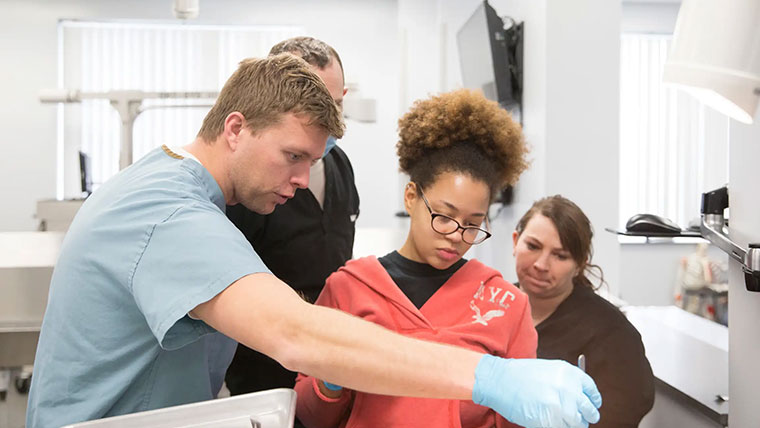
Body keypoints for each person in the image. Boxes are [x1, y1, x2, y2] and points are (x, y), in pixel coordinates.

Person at [26, 54, 601, 428]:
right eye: (292, 157)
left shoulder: (191, 199)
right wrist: (491, 377)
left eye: (313, 161)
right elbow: (293, 333)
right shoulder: (168, 212)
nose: (303, 181)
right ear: (235, 128)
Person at [295, 89, 535, 428]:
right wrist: (330, 378)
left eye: (473, 224)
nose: (456, 235)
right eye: (445, 216)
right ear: (411, 197)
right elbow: (309, 415)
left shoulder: (505, 304)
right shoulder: (349, 290)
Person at [224, 37, 360, 399]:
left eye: (335, 105)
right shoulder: (249, 185)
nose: (328, 123)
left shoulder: (340, 165)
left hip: (328, 363)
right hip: (264, 367)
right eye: (313, 109)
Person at [512, 195, 655, 427]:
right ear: (515, 242)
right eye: (533, 246)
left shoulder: (612, 332)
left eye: (560, 256)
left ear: (580, 264)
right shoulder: (491, 306)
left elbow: (622, 412)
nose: (541, 265)